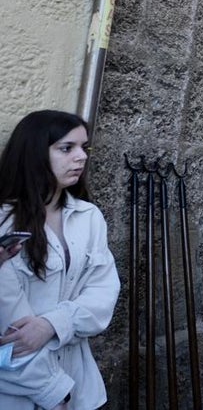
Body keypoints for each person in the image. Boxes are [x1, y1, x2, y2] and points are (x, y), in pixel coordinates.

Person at [0, 110, 120, 410]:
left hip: (83, 387)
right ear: (35, 152)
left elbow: (103, 294)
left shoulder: (88, 216)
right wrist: (53, 392)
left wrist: (53, 324)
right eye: (67, 148)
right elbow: (10, 329)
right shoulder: (4, 221)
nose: (81, 157)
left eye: (84, 148)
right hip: (21, 392)